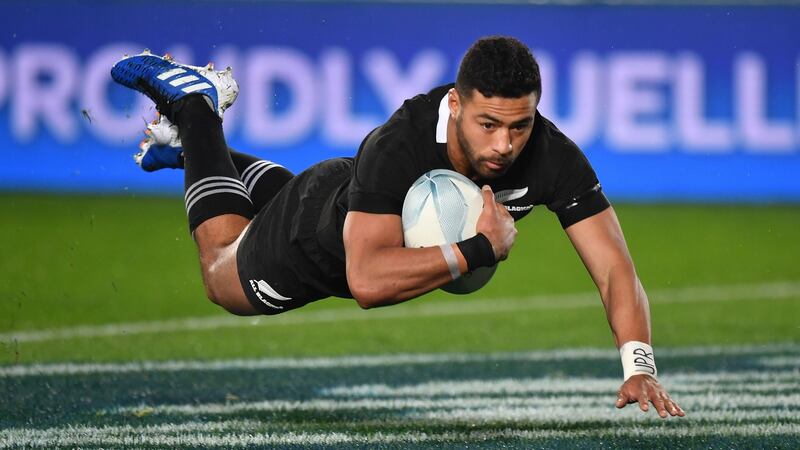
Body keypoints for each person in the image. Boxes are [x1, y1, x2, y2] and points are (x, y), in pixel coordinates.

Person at [112, 36, 685, 418]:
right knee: (221, 275)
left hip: (344, 197)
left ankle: (198, 155)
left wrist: (640, 364)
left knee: (281, 204)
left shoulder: (552, 156)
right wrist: (482, 246)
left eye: (520, 126)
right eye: (489, 124)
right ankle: (195, 111)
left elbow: (614, 268)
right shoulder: (403, 140)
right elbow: (366, 280)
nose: (504, 145)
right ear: (457, 104)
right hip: (315, 240)